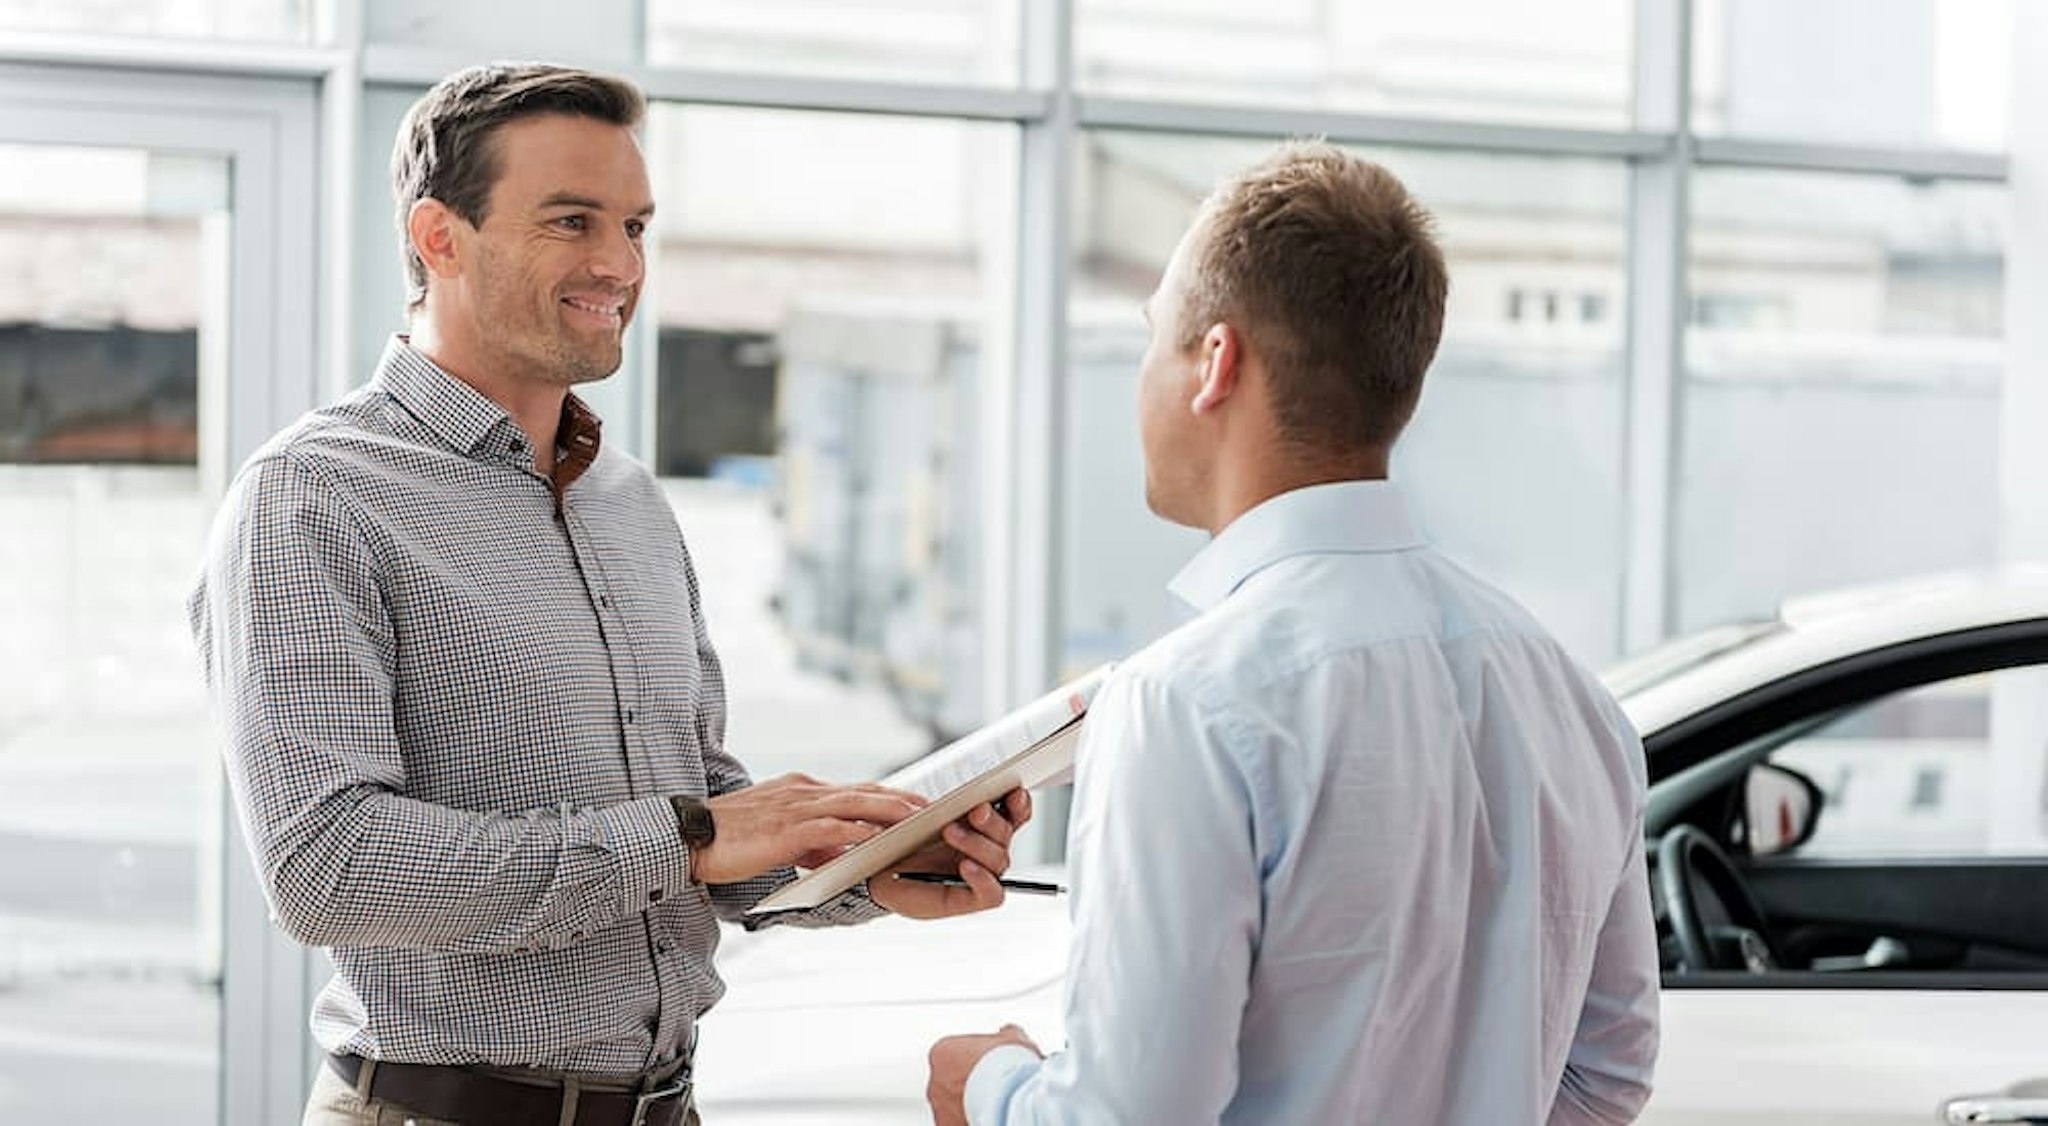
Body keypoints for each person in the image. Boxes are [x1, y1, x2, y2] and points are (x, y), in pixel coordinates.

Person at [187, 62, 1030, 1126]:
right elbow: (328, 866)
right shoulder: (312, 498)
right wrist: (686, 834)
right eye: (572, 221)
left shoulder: (629, 502)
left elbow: (703, 819)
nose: (618, 264)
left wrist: (861, 864)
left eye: (634, 225)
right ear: (439, 237)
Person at [925, 142, 1660, 1125]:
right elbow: (1606, 1077)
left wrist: (986, 1083)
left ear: (1213, 363)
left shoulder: (1183, 703)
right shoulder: (1571, 698)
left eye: (1155, 336)